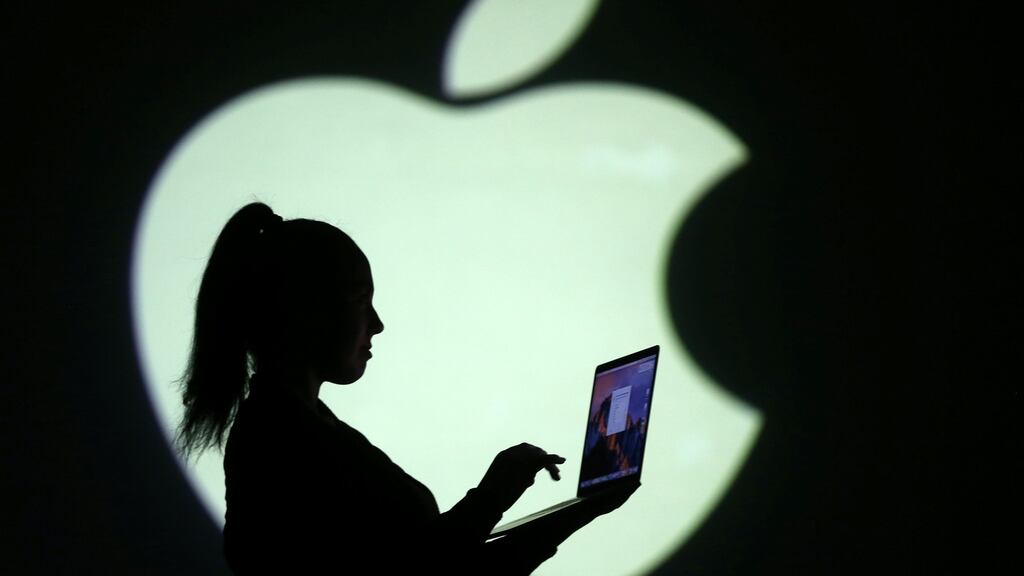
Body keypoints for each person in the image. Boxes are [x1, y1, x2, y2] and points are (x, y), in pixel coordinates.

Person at [175, 202, 637, 574]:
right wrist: (498, 492)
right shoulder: (284, 438)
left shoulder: (293, 427)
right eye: (360, 301)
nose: (376, 324)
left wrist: (573, 512)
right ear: (305, 312)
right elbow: (428, 570)